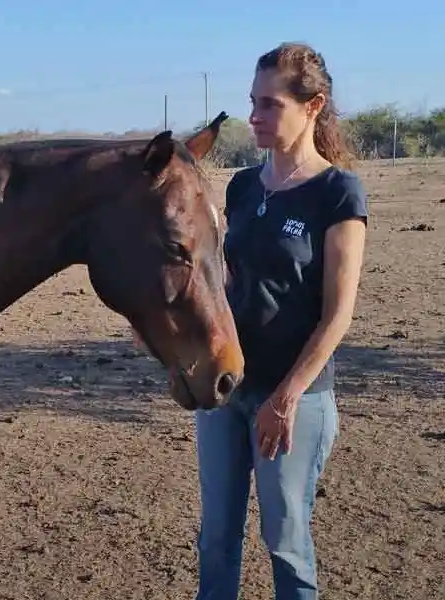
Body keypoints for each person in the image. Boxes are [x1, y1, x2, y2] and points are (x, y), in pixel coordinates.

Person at [193, 42, 368, 600]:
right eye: (252, 102)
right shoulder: (243, 186)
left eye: (270, 105)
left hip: (295, 398)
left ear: (313, 106)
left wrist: (286, 398)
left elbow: (338, 314)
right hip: (229, 391)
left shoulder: (338, 193)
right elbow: (231, 286)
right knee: (216, 536)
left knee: (285, 538)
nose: (254, 116)